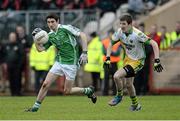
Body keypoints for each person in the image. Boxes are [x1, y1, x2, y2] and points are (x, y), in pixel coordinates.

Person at [25, 13, 97, 112]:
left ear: (57, 21)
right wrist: (35, 40)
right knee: (45, 84)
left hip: (71, 63)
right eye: (48, 22)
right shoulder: (49, 35)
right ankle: (35, 108)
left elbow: (83, 35)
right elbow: (40, 49)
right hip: (59, 62)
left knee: (67, 91)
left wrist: (85, 52)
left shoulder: (66, 28)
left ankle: (88, 90)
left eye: (52, 22)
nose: (50, 24)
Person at [104, 14, 163, 111]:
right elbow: (111, 43)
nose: (122, 26)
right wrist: (107, 58)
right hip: (128, 59)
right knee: (128, 84)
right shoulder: (120, 32)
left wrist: (157, 60)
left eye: (124, 24)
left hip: (137, 61)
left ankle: (119, 96)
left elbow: (154, 43)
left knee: (116, 76)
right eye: (120, 24)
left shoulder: (137, 34)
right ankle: (136, 105)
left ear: (130, 24)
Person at [102, 29, 122, 96]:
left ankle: (114, 93)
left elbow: (117, 53)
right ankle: (105, 93)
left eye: (112, 34)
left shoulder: (118, 42)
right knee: (106, 78)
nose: (110, 35)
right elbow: (104, 52)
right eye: (109, 33)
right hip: (107, 62)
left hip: (114, 63)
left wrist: (109, 51)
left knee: (115, 78)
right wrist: (113, 51)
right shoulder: (104, 42)